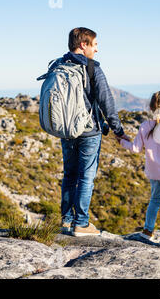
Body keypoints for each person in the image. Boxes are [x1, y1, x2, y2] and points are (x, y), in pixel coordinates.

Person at [56, 27, 130, 237]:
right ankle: (81, 223)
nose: (96, 50)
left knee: (69, 174)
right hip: (88, 132)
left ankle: (66, 220)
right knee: (86, 177)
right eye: (94, 45)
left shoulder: (60, 66)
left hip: (67, 130)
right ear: (83, 45)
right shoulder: (92, 69)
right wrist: (118, 130)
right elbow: (107, 102)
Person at [117, 91, 160, 246]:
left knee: (154, 200)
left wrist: (121, 142)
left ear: (151, 108)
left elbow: (135, 148)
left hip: (153, 172)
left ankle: (147, 230)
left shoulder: (144, 126)